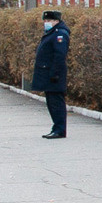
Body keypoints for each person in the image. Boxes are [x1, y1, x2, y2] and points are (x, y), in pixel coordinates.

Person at [30, 9, 70, 139]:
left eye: (49, 20)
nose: (46, 23)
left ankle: (59, 129)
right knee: (52, 102)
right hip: (49, 73)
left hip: (54, 74)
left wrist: (55, 73)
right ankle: (57, 128)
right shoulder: (52, 32)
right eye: (45, 20)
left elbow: (59, 56)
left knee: (56, 102)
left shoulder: (60, 34)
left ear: (56, 21)